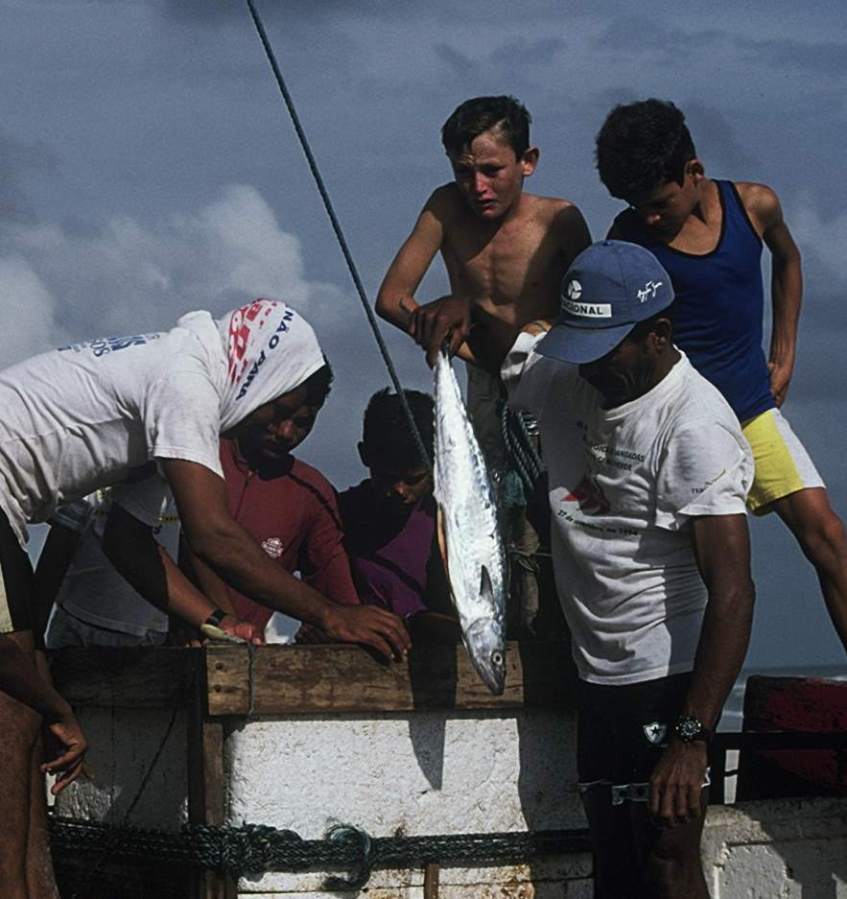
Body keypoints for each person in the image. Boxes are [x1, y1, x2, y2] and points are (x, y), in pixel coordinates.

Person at [0, 298, 410, 896]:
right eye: (280, 406)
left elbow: (127, 539)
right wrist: (330, 613)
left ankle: (34, 888)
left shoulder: (181, 386)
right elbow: (213, 534)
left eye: (302, 419)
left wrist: (216, 621)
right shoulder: (187, 381)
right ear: (262, 374)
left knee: (26, 685)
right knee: (13, 701)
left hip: (7, 508)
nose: (282, 428)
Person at [502, 241, 755, 897]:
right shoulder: (562, 371)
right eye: (578, 347)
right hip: (594, 676)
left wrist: (691, 738)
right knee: (611, 862)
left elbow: (732, 591)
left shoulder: (695, 426)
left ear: (657, 334)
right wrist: (450, 315)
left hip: (666, 679)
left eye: (604, 350)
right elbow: (493, 346)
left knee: (667, 854)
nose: (587, 369)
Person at [595, 98, 847, 651]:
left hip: (751, 409)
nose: (650, 217)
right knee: (703, 578)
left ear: (694, 171)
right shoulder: (628, 238)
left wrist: (785, 349)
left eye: (659, 203)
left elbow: (789, 260)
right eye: (638, 206)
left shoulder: (754, 205)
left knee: (828, 537)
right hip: (680, 428)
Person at [376, 94, 591, 630]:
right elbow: (393, 298)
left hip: (550, 387)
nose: (479, 187)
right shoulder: (445, 208)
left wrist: (520, 344)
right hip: (480, 386)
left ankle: (552, 639)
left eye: (492, 170)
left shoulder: (560, 220)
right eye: (464, 172)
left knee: (552, 516)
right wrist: (454, 341)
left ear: (528, 160)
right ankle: (480, 626)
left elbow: (589, 320)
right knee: (480, 509)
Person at [182, 364, 361, 642]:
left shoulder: (312, 493)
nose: (286, 433)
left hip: (240, 662)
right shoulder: (190, 454)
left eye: (302, 423)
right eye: (278, 416)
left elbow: (338, 600)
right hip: (143, 645)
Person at [338, 388, 453, 634]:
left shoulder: (454, 521)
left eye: (414, 479)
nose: (400, 490)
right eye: (388, 477)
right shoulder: (339, 515)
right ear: (364, 455)